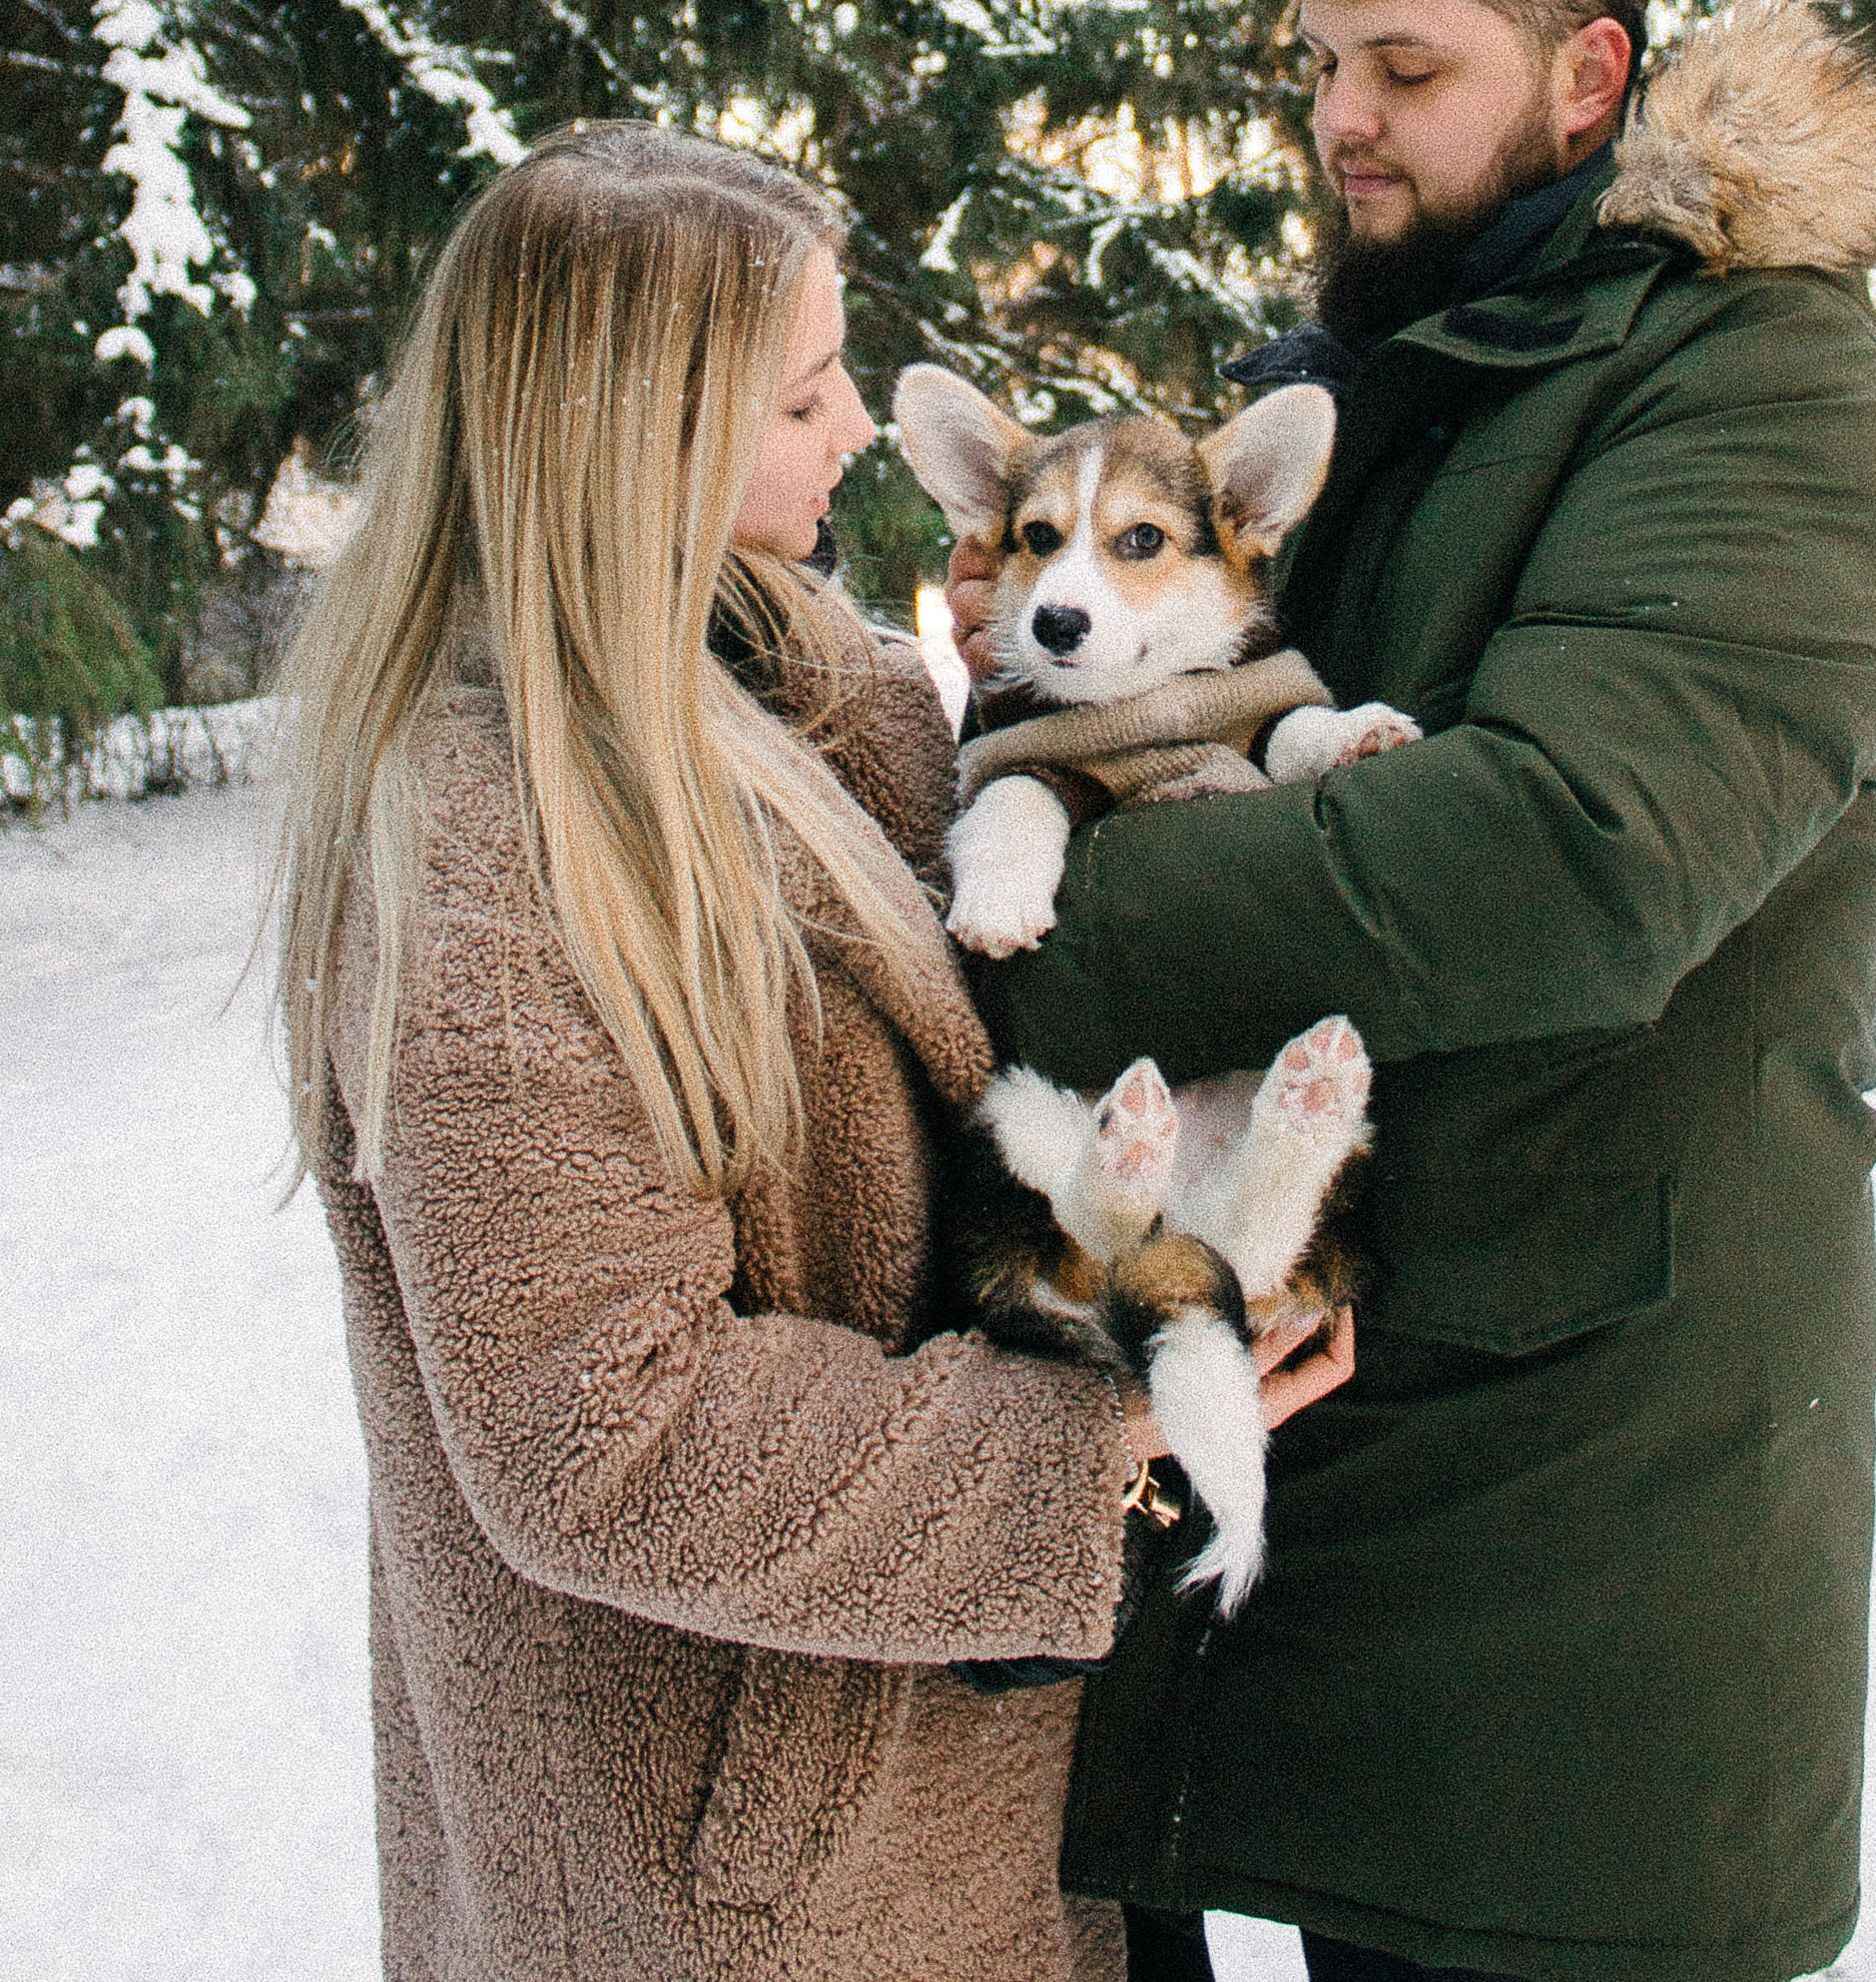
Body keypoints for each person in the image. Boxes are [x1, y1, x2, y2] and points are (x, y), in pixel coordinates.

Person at [951, 0, 1876, 1982]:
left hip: (1585, 1523)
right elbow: (1227, 731)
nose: (1340, 120)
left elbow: (1578, 854)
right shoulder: (1406, 379)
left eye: (1405, 68)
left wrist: (1036, 957)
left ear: (1589, 75)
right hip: (1349, 1453)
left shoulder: (1754, 379)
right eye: (1316, 64)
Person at [271, 122, 1349, 1982]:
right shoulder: (485, 835)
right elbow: (598, 1429)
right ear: (641, 436)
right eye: (803, 393)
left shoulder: (803, 692)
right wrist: (1088, 1447)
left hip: (957, 1765)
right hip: (738, 1862)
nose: (859, 427)